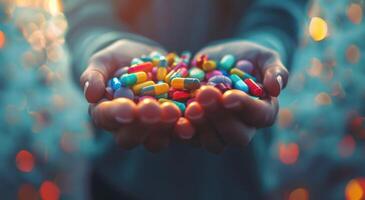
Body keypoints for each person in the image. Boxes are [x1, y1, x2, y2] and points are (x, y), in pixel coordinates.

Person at [65, 0, 307, 199]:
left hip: (233, 176)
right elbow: (86, 13)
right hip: (122, 172)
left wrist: (264, 46)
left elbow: (278, 12)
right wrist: (100, 46)